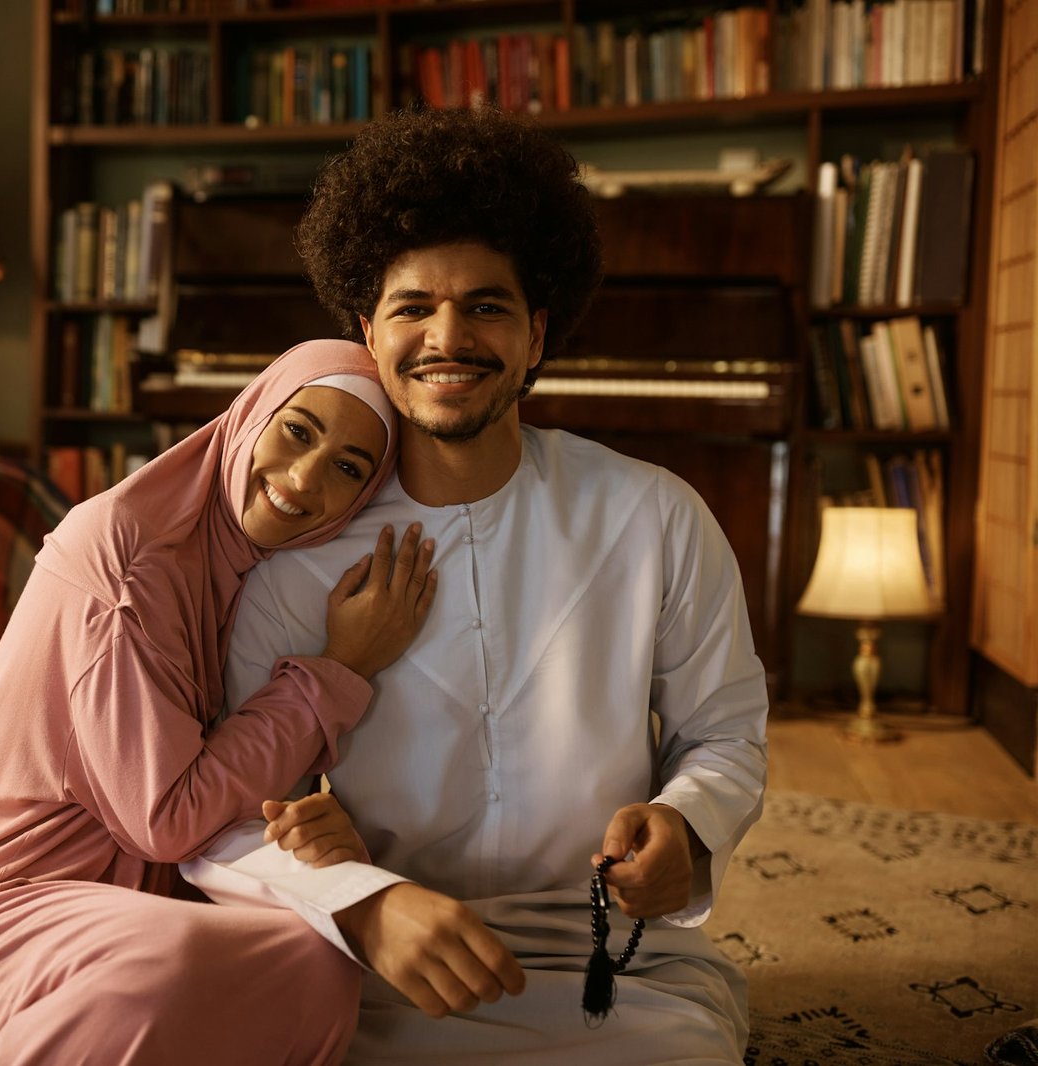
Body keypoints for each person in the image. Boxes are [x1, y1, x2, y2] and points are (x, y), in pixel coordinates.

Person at [183, 106, 771, 1064]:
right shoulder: (298, 558)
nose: (447, 338)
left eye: (486, 307)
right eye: (414, 307)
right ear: (367, 333)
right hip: (374, 952)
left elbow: (725, 731)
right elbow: (226, 817)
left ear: (538, 335)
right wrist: (361, 905)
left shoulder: (657, 515)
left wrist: (685, 825)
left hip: (608, 959)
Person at [0, 338, 438, 1066]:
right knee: (172, 970)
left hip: (114, 917)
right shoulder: (127, 555)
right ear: (253, 413)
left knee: (317, 962)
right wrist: (338, 668)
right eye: (298, 431)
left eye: (348, 468)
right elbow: (166, 818)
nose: (302, 477)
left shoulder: (237, 568)